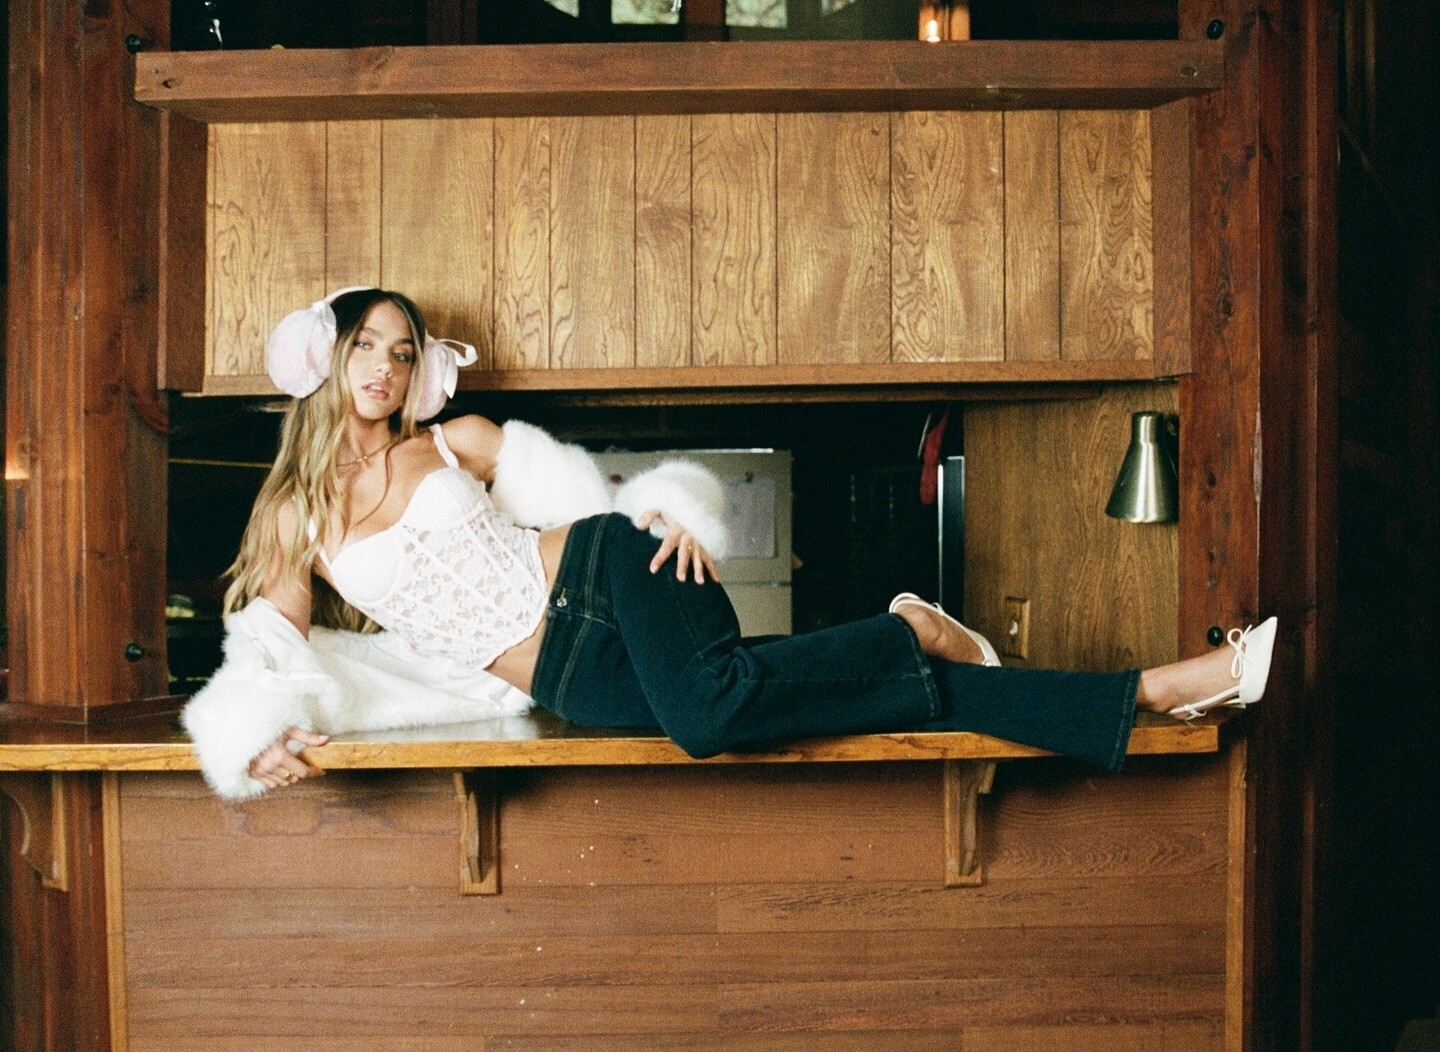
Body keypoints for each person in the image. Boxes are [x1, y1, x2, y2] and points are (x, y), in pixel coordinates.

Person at [183, 288, 1276, 799]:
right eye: (365, 344)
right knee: (872, 700)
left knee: (709, 721)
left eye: (400, 349)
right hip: (570, 678)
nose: (383, 366)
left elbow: (585, 496)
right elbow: (269, 640)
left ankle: (1082, 670)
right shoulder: (292, 518)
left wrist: (660, 512)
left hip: (613, 575)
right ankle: (1125, 686)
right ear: (328, 357)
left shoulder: (452, 440)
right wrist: (249, 735)